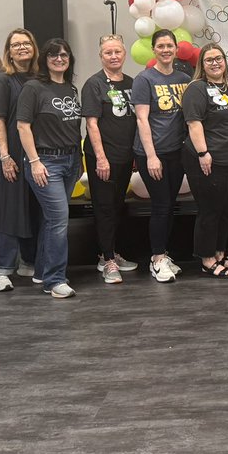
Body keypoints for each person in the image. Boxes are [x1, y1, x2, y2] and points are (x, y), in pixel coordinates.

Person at [16, 38, 83, 299]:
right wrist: (34, 162)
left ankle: (43, 271)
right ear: (45, 59)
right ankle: (55, 280)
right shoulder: (33, 88)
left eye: (64, 55)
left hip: (70, 161)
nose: (59, 59)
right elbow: (23, 126)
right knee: (58, 220)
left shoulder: (70, 88)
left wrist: (76, 161)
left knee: (51, 219)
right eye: (54, 55)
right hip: (46, 162)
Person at [182, 42, 228, 278]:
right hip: (208, 160)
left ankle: (220, 252)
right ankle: (207, 258)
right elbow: (193, 122)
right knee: (210, 211)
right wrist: (203, 153)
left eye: (218, 58)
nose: (215, 63)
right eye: (209, 59)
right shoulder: (196, 88)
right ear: (202, 64)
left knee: (226, 210)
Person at [132, 29, 190, 284]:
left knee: (169, 206)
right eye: (161, 46)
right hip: (152, 154)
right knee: (160, 205)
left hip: (176, 152)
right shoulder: (144, 79)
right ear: (154, 50)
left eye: (170, 46)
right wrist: (151, 156)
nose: (166, 50)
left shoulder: (184, 78)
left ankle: (164, 255)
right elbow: (142, 119)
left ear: (176, 49)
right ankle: (156, 259)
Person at [0, 29, 41, 292]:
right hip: (10, 155)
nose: (22, 48)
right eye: (16, 44)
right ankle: (0, 269)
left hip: (35, 155)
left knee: (32, 209)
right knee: (9, 212)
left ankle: (28, 261)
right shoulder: (2, 80)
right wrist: (5, 157)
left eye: (26, 43)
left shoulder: (39, 78)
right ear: (8, 51)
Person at [82, 34, 138, 284]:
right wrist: (101, 159)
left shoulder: (132, 82)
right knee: (104, 208)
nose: (113, 56)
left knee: (117, 207)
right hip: (103, 158)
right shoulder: (94, 84)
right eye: (108, 53)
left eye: (117, 52)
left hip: (125, 156)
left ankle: (112, 252)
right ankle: (106, 261)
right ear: (101, 56)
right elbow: (91, 124)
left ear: (124, 54)